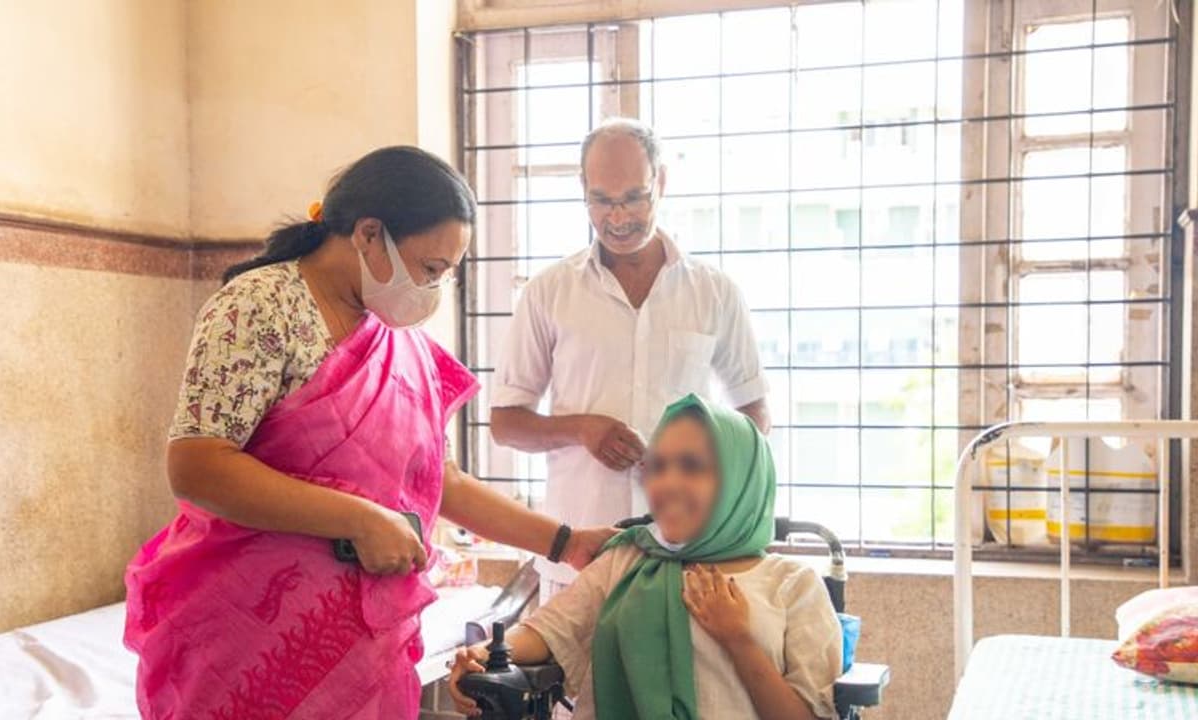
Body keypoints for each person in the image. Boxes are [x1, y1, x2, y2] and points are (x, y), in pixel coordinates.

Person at [123, 146, 615, 720]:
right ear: (369, 234)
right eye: (430, 269)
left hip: (362, 646)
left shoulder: (398, 341)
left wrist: (566, 542)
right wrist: (359, 518)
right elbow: (199, 464)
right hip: (249, 641)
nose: (434, 289)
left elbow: (439, 481)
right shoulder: (260, 308)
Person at [490, 118, 771, 600]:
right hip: (578, 559)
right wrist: (580, 429)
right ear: (583, 189)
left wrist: (700, 464)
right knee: (577, 679)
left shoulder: (714, 293)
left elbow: (755, 415)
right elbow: (505, 424)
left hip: (686, 558)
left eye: (634, 197)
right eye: (601, 200)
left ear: (661, 182)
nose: (618, 218)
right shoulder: (549, 293)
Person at [450, 394, 841, 720]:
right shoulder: (628, 560)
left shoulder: (793, 584)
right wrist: (482, 655)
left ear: (740, 480)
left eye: (691, 466)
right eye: (658, 467)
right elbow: (550, 630)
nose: (667, 483)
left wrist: (738, 638)